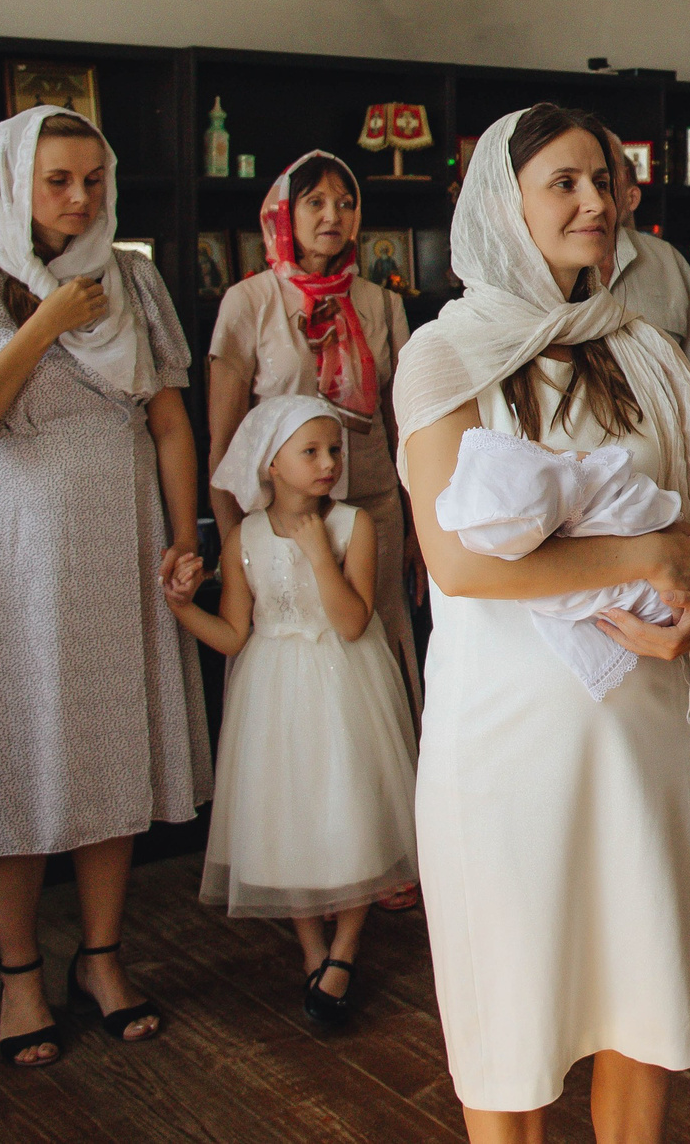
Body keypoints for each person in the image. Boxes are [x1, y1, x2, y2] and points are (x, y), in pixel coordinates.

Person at [396, 103, 690, 1143]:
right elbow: (457, 560)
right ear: (501, 206)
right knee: (510, 1013)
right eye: (564, 182)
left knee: (638, 999)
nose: (597, 201)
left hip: (639, 731)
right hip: (507, 741)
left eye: (604, 180)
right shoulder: (445, 357)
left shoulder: (643, 349)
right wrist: (646, 556)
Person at [0, 105, 209, 1068]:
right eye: (58, 181)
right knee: (19, 757)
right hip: (12, 559)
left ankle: (102, 958)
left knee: (110, 749)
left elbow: (166, 419)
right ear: (14, 185)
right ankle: (20, 975)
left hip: (119, 543)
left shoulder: (135, 279)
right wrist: (41, 324)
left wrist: (184, 532)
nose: (80, 200)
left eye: (94, 180)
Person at [165, 397, 417, 1032]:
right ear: (271, 464)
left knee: (352, 806)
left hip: (345, 681)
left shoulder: (355, 525)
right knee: (291, 815)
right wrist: (182, 609)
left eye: (333, 449)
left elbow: (354, 620)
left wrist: (317, 555)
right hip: (273, 691)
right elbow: (231, 635)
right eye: (311, 452)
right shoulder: (243, 536)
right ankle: (312, 949)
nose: (329, 462)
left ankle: (347, 947)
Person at [207, 152, 420, 721]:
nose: (334, 215)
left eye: (346, 203)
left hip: (372, 505)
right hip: (278, 516)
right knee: (287, 653)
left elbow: (404, 426)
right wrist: (237, 544)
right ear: (284, 212)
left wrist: (418, 525)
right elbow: (224, 442)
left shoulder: (382, 303)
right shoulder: (248, 302)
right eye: (316, 202)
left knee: (371, 647)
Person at [602, 132, 690, 397]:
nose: (598, 190)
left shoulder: (670, 262)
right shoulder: (539, 265)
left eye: (605, 174)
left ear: (631, 198)